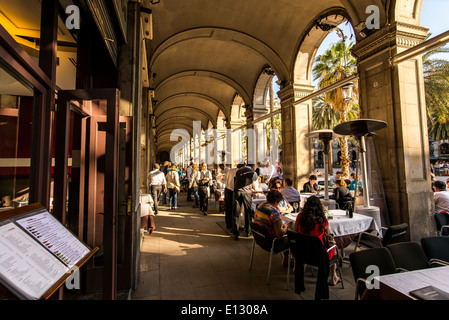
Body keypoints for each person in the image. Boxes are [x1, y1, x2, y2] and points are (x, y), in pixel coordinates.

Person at [294, 196, 340, 286]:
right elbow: (329, 235)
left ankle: (297, 267)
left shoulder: (300, 217)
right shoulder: (322, 220)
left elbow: (295, 231)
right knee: (333, 250)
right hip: (319, 254)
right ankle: (334, 276)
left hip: (302, 252)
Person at [253, 189, 290, 265]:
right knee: (291, 238)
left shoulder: (259, 207)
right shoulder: (274, 212)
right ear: (276, 202)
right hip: (271, 242)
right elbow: (279, 234)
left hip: (260, 238)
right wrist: (286, 228)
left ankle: (286, 259)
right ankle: (289, 261)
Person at [233, 162, 258, 240]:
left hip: (237, 192)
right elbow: (255, 184)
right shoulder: (253, 173)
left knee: (236, 213)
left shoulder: (238, 171)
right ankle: (247, 231)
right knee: (247, 212)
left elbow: (236, 181)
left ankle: (236, 233)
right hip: (247, 192)